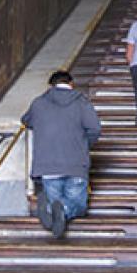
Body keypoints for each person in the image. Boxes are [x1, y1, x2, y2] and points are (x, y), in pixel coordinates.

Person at [21, 70, 101, 240]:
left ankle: (50, 209)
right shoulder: (82, 102)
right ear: (71, 84)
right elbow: (95, 129)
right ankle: (62, 209)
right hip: (76, 164)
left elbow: (26, 121)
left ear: (51, 86)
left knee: (54, 202)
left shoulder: (38, 103)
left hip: (47, 165)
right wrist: (83, 145)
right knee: (79, 206)